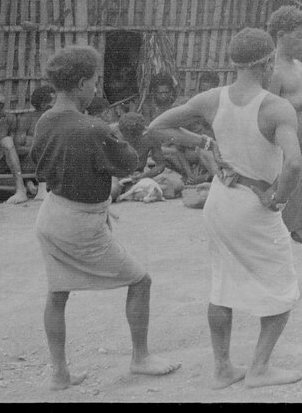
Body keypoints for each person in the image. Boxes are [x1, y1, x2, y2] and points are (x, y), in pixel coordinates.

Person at [148, 28, 302, 389]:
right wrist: (279, 198)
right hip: (253, 205)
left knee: (222, 286)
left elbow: (156, 127)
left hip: (221, 200)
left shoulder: (212, 98)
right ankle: (260, 368)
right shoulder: (275, 107)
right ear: (267, 62)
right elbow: (294, 164)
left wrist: (203, 141)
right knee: (282, 287)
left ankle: (222, 368)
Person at [32, 45, 180, 390]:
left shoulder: (44, 120)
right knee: (140, 280)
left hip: (53, 213)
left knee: (57, 293)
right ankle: (140, 357)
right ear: (82, 83)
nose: (97, 88)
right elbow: (129, 163)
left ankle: (59, 372)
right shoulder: (92, 128)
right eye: (95, 82)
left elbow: (41, 167)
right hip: (80, 222)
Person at [266, 5, 302, 249]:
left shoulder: (299, 67)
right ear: (281, 36)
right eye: (300, 36)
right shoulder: (275, 72)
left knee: (301, 198)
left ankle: (299, 232)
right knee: (285, 198)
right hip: (290, 150)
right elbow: (266, 113)